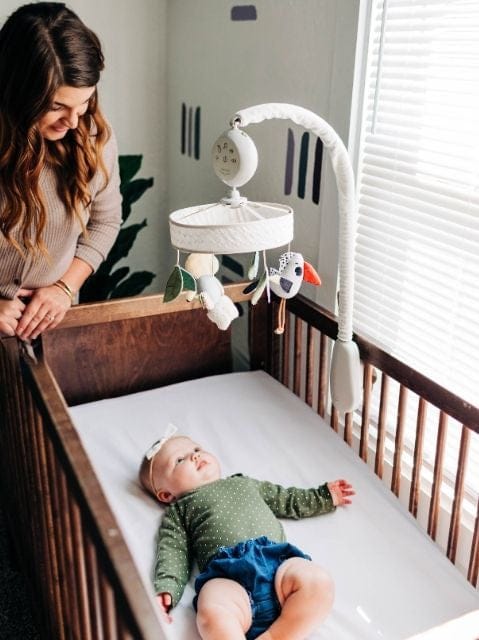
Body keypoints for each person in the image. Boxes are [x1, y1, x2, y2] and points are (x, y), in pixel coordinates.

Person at [139, 427, 355, 640]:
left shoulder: (243, 483)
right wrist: (167, 590)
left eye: (196, 449)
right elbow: (173, 552)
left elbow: (286, 499)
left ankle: (277, 636)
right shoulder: (179, 511)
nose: (194, 456)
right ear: (166, 495)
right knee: (210, 614)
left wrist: (323, 497)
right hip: (227, 578)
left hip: (277, 564)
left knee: (318, 581)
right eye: (179, 460)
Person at [0, 2, 121, 340]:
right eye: (56, 106)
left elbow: (105, 221)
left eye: (84, 103)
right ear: (18, 92)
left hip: (53, 325)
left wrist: (65, 288)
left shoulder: (93, 137)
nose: (72, 121)